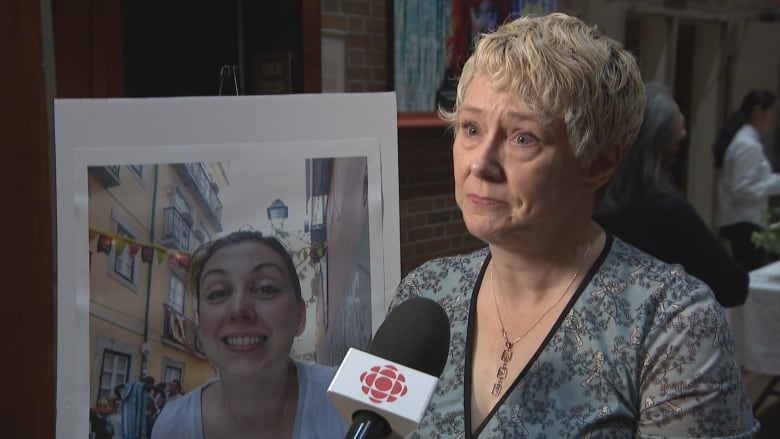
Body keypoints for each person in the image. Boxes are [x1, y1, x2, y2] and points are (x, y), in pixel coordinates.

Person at [391, 13, 758, 438]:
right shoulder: (424, 294)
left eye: (522, 137)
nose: (480, 163)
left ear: (597, 164)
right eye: (471, 129)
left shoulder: (672, 324)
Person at [151, 231, 347, 439]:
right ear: (200, 326)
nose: (238, 309)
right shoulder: (173, 427)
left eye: (265, 288)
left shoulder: (352, 404)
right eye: (218, 293)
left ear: (298, 316)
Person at [594, 82, 749, 307]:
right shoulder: (670, 213)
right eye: (677, 142)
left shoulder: (584, 206)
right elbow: (733, 287)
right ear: (664, 148)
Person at [714, 89, 779, 271]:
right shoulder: (747, 144)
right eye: (773, 112)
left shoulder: (748, 142)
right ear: (758, 111)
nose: (774, 119)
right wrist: (775, 184)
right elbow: (741, 189)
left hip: (745, 220)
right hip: (744, 222)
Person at [436, 0, 512, 110]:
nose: (484, 23)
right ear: (467, 18)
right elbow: (444, 107)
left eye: (490, 13)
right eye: (477, 14)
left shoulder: (512, 60)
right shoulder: (457, 62)